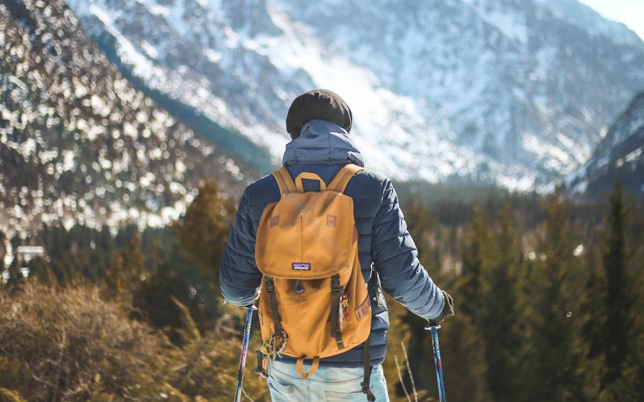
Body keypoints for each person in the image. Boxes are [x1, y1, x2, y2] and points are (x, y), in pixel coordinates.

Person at [220, 89, 454, 401]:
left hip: (285, 363)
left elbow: (235, 289)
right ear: (345, 131)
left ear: (294, 133)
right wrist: (436, 306)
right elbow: (401, 278)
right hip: (353, 366)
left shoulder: (260, 194)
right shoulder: (373, 189)